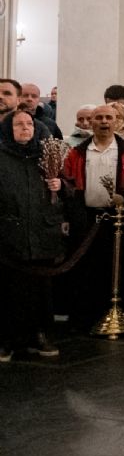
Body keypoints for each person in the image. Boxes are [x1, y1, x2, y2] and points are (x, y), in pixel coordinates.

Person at [60, 105, 124, 331]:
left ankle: (120, 314)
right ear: (91, 122)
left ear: (117, 121)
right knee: (87, 269)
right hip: (87, 219)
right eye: (99, 118)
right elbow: (68, 183)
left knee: (119, 267)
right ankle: (86, 316)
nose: (104, 121)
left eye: (109, 117)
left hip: (119, 219)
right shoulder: (77, 152)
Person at [0, 110, 64, 360]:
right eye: (18, 124)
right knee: (8, 288)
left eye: (29, 124)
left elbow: (67, 189)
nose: (25, 128)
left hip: (41, 231)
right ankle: (7, 338)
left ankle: (41, 334)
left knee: (41, 289)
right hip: (8, 233)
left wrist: (61, 186)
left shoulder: (46, 155)